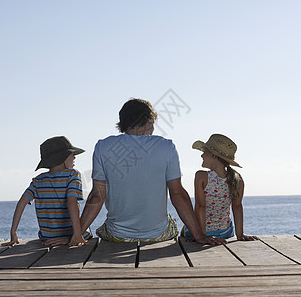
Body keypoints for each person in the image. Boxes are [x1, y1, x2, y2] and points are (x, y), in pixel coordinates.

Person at [80, 98, 225, 245]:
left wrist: (77, 234)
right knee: (174, 226)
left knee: (93, 231)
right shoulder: (167, 147)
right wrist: (199, 235)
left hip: (117, 235)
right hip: (159, 235)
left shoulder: (102, 147)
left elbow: (97, 196)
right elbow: (177, 194)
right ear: (148, 120)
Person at [2, 136, 92, 247]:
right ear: (62, 157)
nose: (74, 157)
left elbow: (22, 202)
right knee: (87, 229)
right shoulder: (72, 175)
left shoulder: (38, 180)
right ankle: (72, 237)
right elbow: (71, 202)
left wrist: (13, 231)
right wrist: (77, 234)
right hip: (71, 233)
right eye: (71, 154)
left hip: (48, 237)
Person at [181, 134, 258, 241]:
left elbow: (200, 207)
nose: (201, 156)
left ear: (213, 155)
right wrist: (240, 235)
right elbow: (237, 207)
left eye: (204, 152)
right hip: (225, 232)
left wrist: (203, 237)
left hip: (203, 232)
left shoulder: (202, 176)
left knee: (183, 230)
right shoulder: (237, 179)